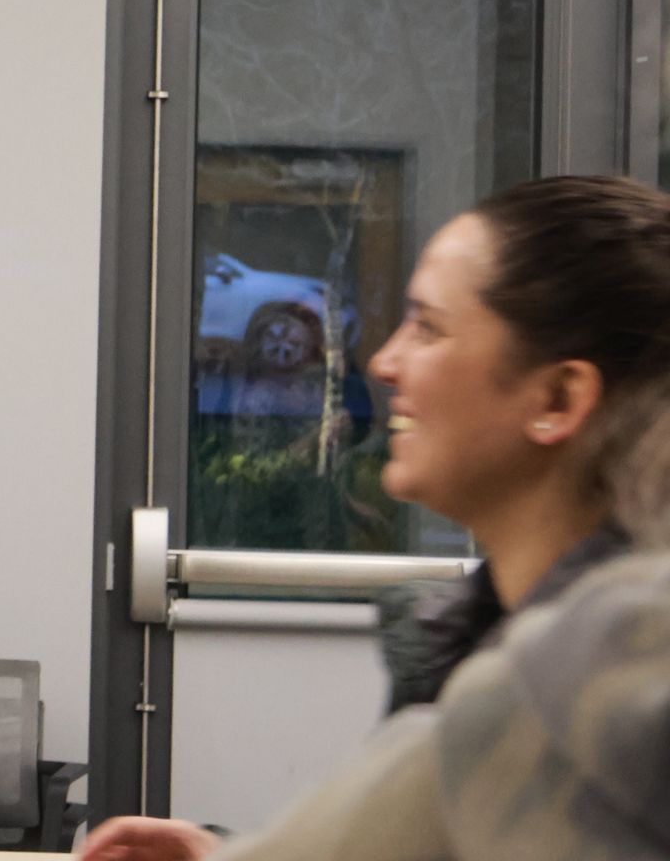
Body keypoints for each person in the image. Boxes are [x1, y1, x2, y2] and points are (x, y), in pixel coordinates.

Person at [82, 174, 670, 861]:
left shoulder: (582, 693)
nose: (386, 363)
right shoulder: (479, 653)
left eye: (428, 327)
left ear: (559, 396)